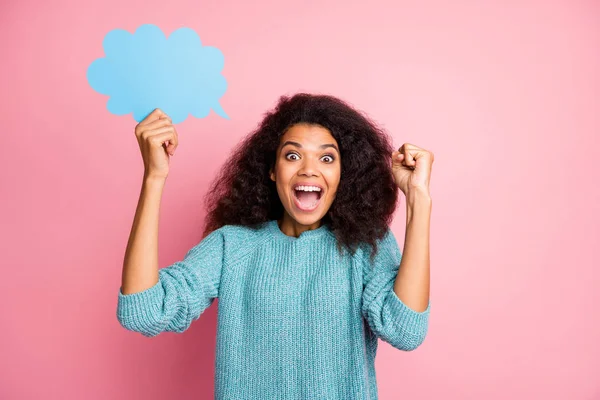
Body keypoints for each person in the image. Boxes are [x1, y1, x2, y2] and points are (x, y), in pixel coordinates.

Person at [116, 93, 434, 400]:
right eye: (292, 155)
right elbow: (143, 312)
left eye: (327, 157)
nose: (309, 169)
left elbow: (404, 330)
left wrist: (418, 200)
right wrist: (154, 177)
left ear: (342, 175)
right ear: (272, 170)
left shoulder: (365, 245)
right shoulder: (233, 245)